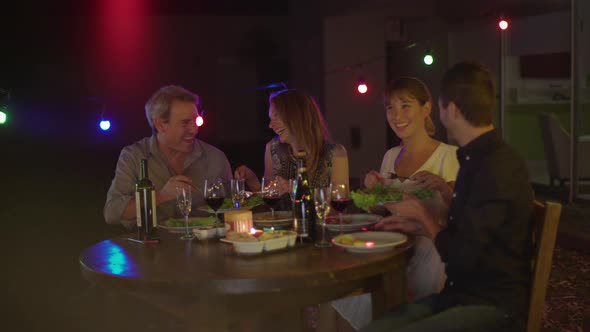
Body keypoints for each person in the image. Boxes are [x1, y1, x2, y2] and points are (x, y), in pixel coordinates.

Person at [362, 61, 534, 332]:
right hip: (462, 295)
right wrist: (416, 225)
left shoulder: (494, 167)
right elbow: (465, 231)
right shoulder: (477, 158)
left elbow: (460, 256)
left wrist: (422, 215)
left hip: (492, 306)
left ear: (450, 110)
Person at [331, 77, 460, 331]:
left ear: (427, 108)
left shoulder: (450, 156)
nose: (396, 115)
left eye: (405, 105)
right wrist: (375, 191)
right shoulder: (390, 156)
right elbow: (380, 209)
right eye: (390, 107)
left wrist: (443, 189)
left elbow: (459, 218)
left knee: (365, 301)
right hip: (391, 248)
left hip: (432, 252)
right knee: (339, 297)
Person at [104, 85, 232, 229]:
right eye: (185, 123)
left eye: (195, 121)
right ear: (160, 125)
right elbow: (112, 213)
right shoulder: (134, 156)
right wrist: (160, 197)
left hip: (204, 245)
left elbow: (233, 210)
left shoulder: (215, 157)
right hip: (149, 246)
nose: (194, 130)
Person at [234, 89, 349, 195]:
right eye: (270, 119)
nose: (270, 125)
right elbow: (269, 201)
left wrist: (295, 189)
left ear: (297, 116)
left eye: (276, 116)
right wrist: (253, 182)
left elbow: (339, 203)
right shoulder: (272, 149)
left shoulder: (335, 153)